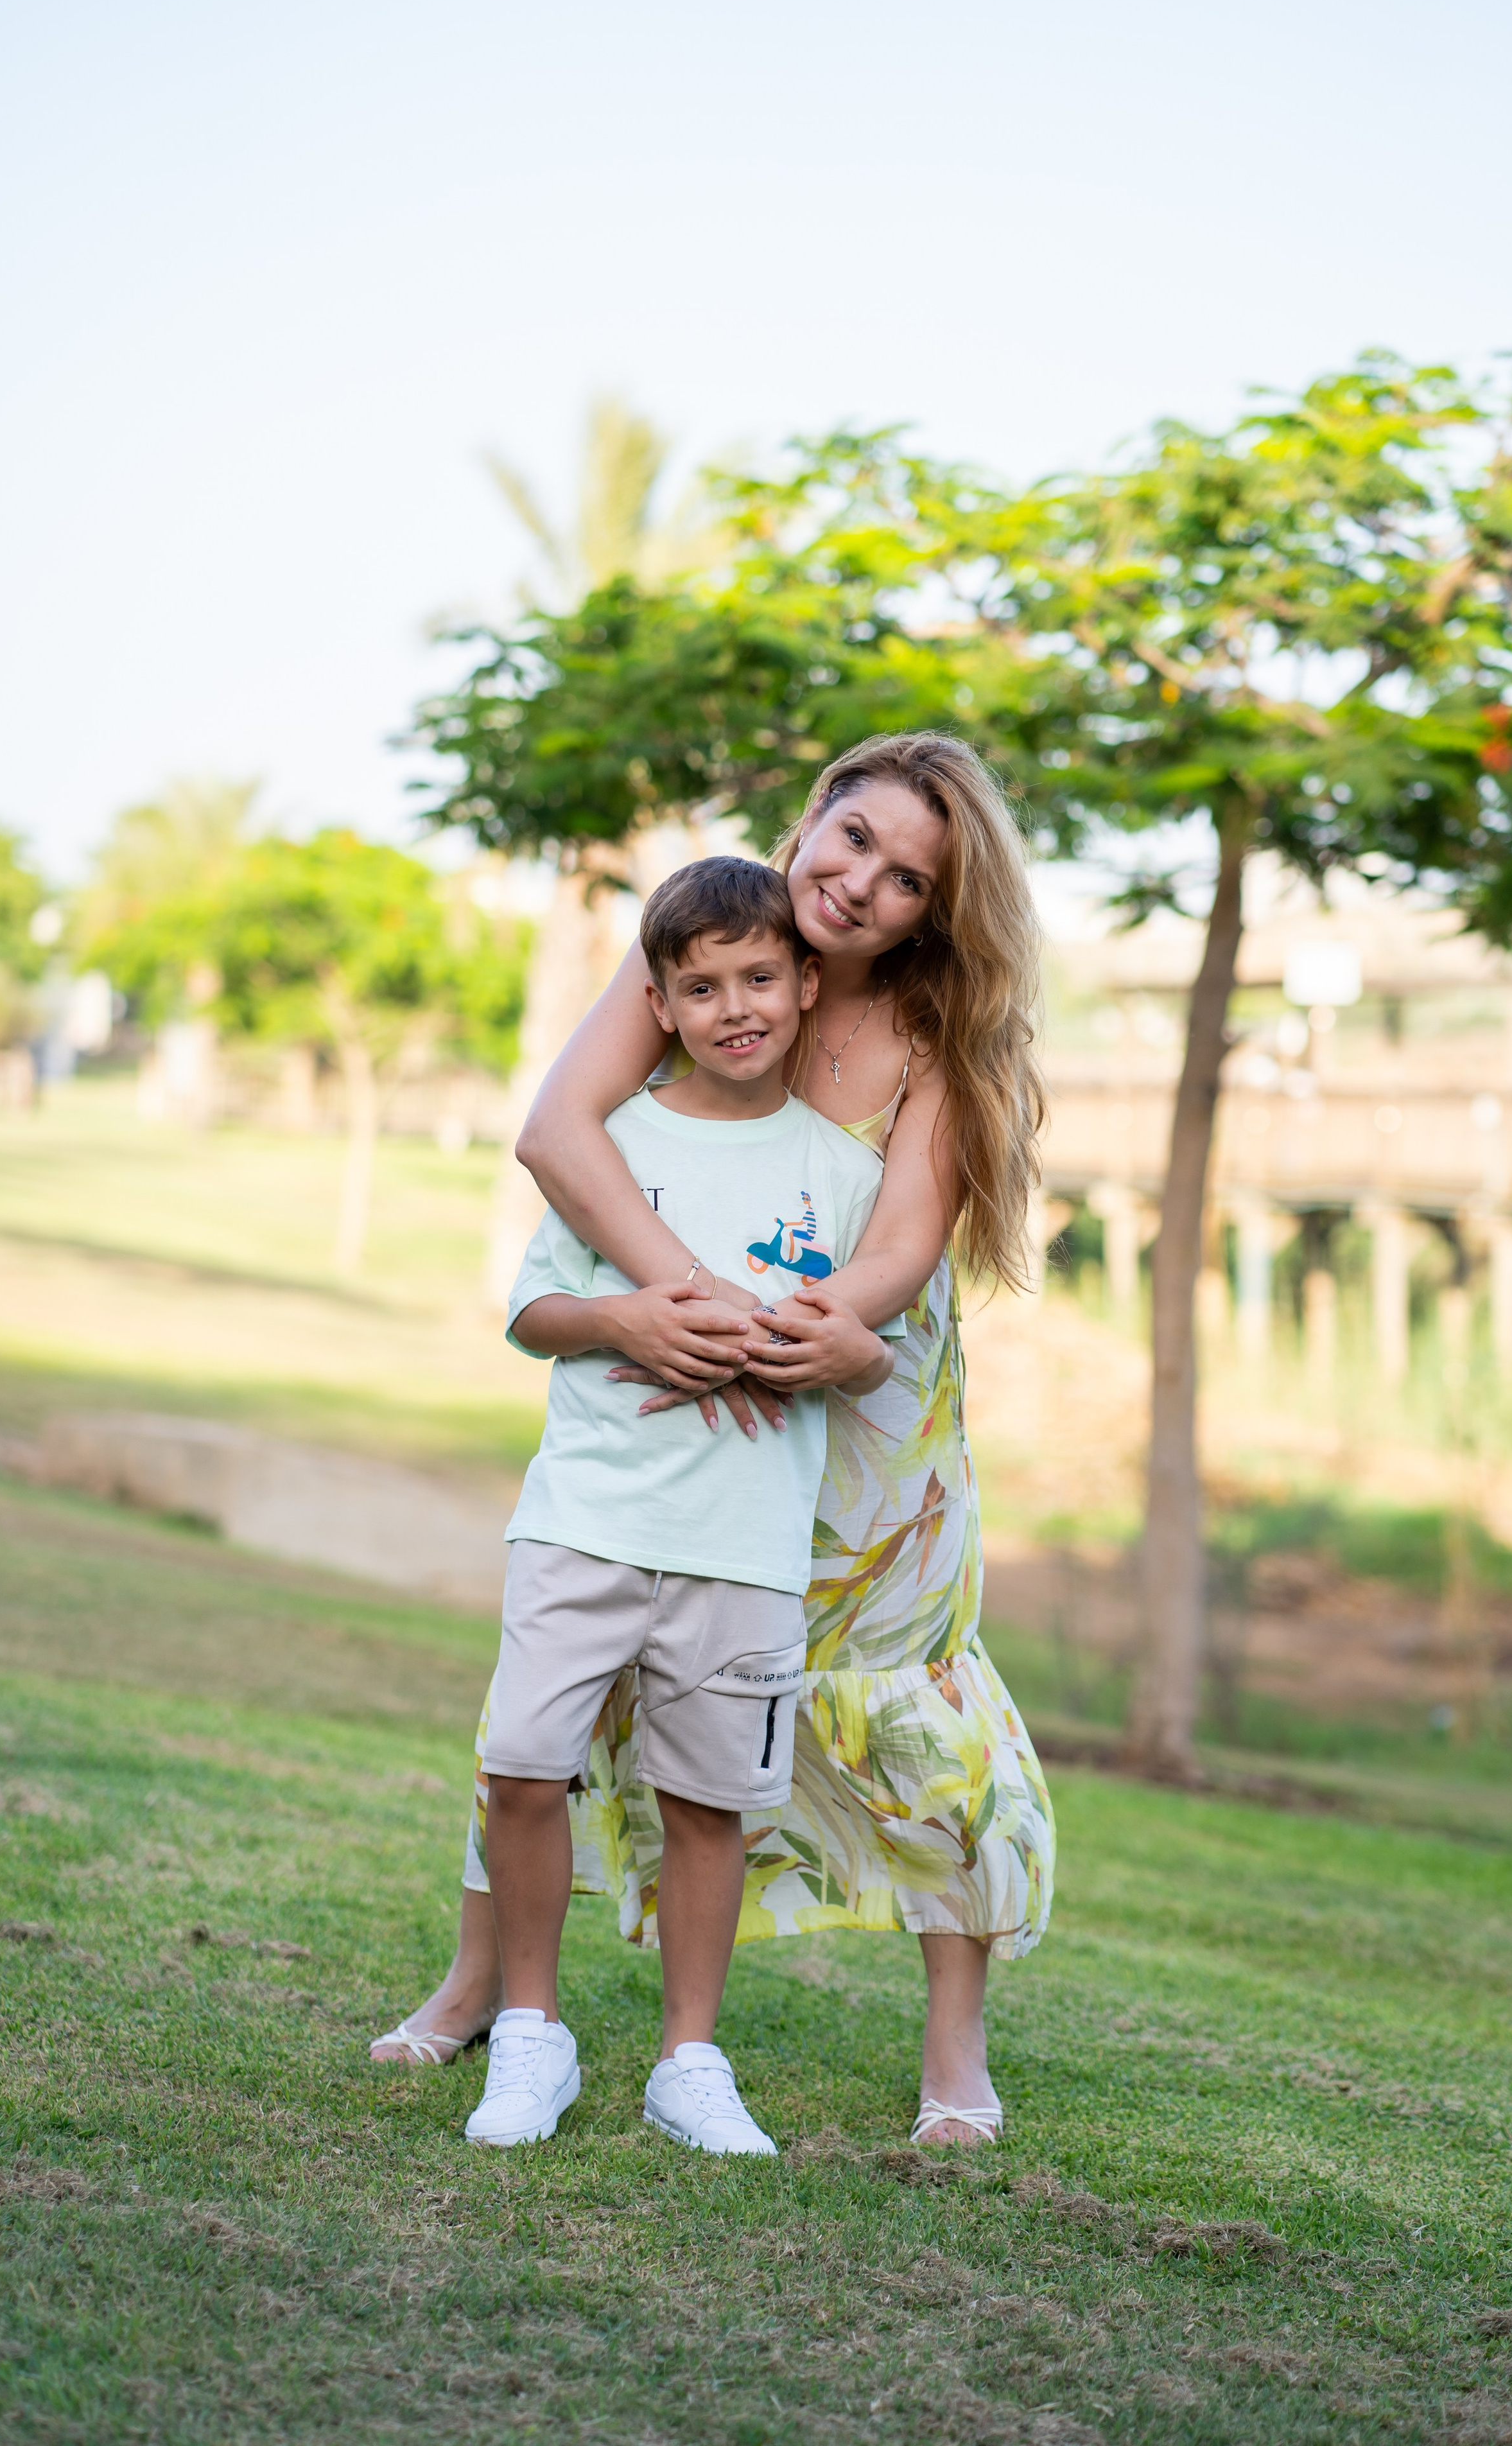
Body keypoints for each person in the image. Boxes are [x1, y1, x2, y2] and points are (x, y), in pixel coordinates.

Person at [372, 730, 1056, 2149]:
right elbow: (562, 1132)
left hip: (854, 1392)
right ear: (810, 820)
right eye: (851, 837)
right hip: (686, 1360)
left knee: (898, 1696)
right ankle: (478, 1987)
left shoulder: (932, 1035)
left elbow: (908, 1241)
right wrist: (670, 1301)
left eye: (907, 877)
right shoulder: (706, 941)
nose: (860, 882)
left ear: (937, 911)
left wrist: (817, 1327)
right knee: (568, 1690)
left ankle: (953, 2041)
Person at [461, 855, 898, 2152]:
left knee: (711, 1807)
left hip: (743, 1544)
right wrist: (627, 1320)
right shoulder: (613, 1145)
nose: (733, 1007)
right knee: (521, 1765)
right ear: (654, 1001)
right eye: (698, 987)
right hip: (587, 1519)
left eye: (758, 977)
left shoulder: (841, 1173)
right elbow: (534, 1312)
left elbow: (876, 1351)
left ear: (803, 983)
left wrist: (837, 1353)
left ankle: (686, 2062)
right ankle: (530, 2036)